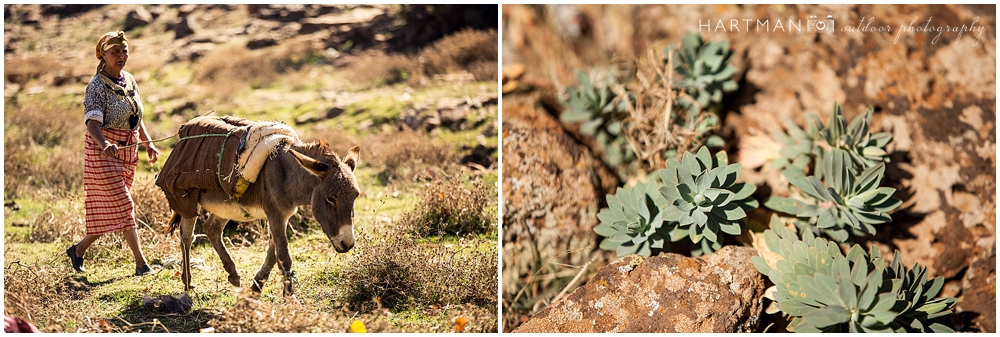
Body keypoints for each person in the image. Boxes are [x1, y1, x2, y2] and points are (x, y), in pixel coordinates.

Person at [67, 31, 159, 276]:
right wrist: (105, 144)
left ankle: (78, 250)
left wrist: (148, 143)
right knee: (124, 206)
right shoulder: (96, 86)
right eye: (115, 52)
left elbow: (135, 117)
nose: (121, 56)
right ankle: (142, 264)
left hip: (127, 152)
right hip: (103, 152)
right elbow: (92, 123)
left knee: (112, 209)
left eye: (124, 51)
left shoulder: (129, 79)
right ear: (103, 55)